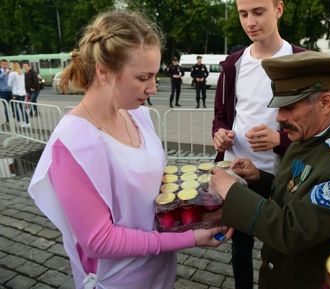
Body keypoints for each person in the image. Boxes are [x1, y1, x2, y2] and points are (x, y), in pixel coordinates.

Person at [27, 11, 231, 289]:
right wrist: (189, 238)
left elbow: (151, 185)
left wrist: (204, 193)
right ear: (104, 72)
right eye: (142, 78)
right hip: (119, 280)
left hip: (158, 271)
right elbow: (100, 241)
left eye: (154, 76)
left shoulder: (137, 115)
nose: (152, 88)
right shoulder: (73, 143)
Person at [210, 51, 330, 289]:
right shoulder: (307, 140)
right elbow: (293, 193)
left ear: (325, 103)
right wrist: (259, 178)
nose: (279, 117)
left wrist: (231, 190)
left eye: (289, 107)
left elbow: (292, 231)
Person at [212, 1, 305, 288]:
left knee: (282, 247)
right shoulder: (233, 64)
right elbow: (220, 117)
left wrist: (280, 140)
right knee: (240, 247)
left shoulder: (301, 61)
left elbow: (317, 127)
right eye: (243, 14)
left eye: (258, 12)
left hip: (281, 177)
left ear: (279, 9)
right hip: (236, 173)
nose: (250, 21)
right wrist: (220, 134)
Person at [8, 61, 30, 128]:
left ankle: (26, 122)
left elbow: (9, 84)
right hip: (22, 92)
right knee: (22, 107)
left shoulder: (12, 73)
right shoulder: (21, 73)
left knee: (18, 108)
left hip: (16, 93)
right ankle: (25, 121)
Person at [0, 59, 12, 124]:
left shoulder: (9, 71)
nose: (5, 65)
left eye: (6, 64)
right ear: (0, 65)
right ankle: (8, 120)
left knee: (13, 105)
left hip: (11, 90)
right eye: (4, 64)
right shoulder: (0, 71)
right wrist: (5, 73)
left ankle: (16, 119)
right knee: (6, 105)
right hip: (3, 91)